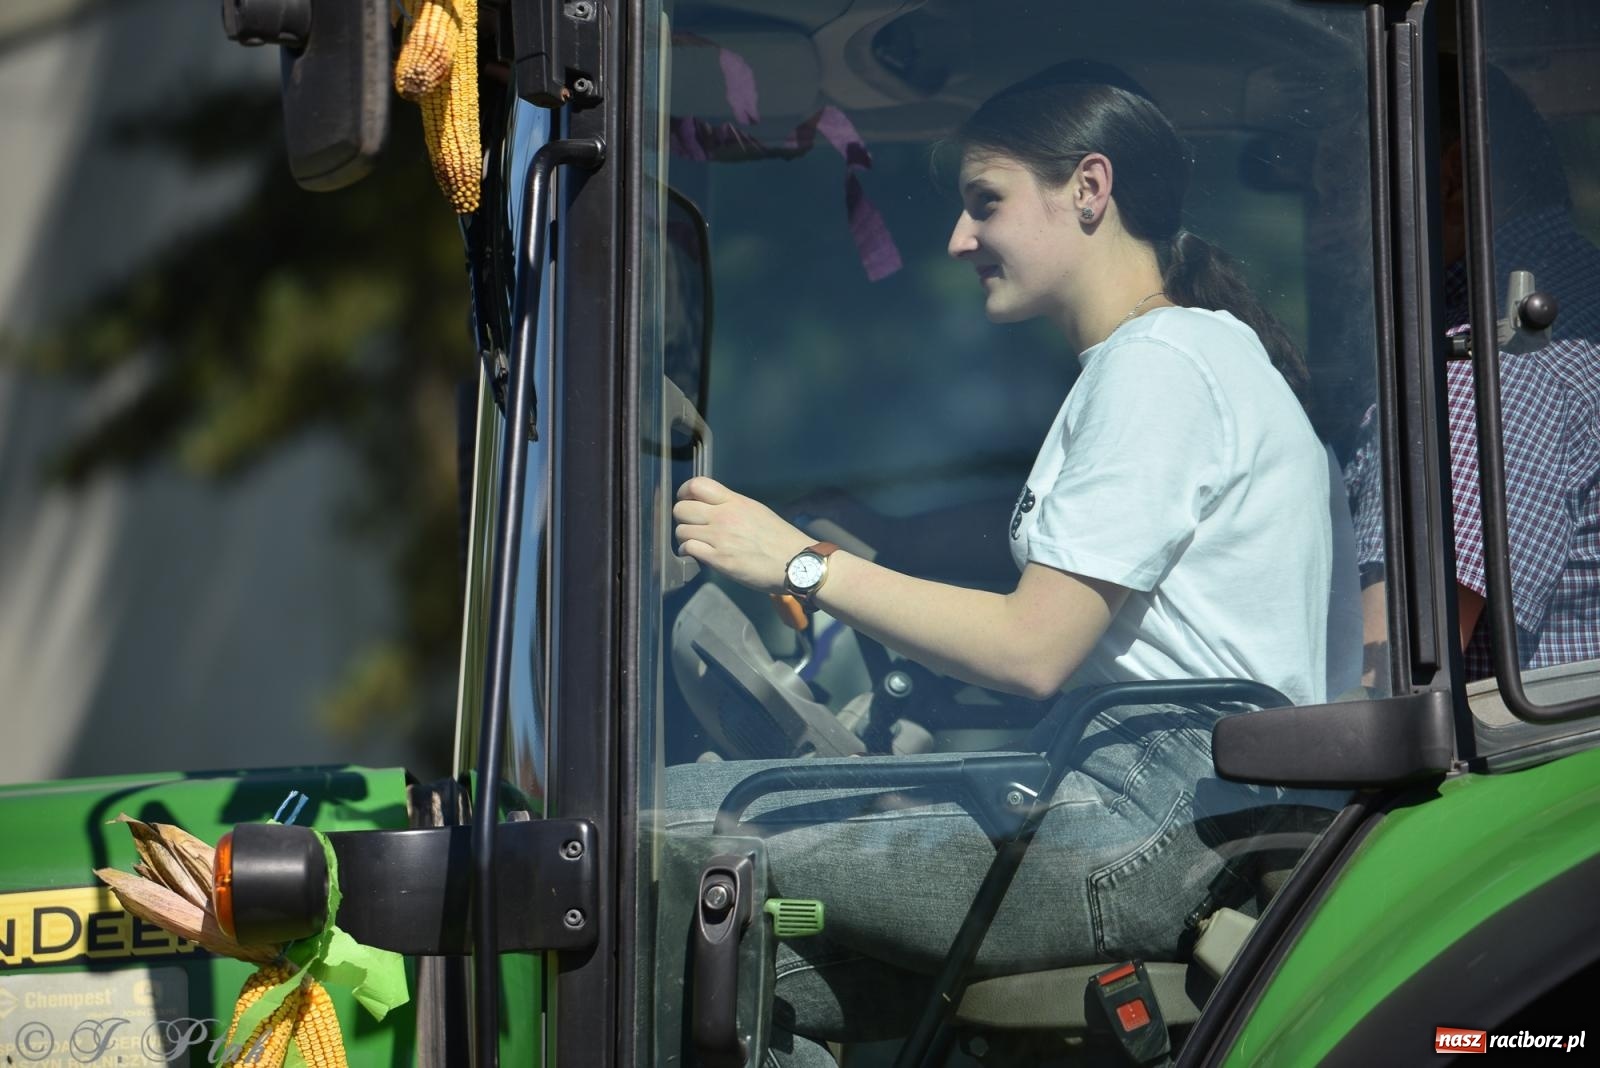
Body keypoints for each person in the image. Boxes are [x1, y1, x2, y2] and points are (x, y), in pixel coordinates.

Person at [667, 71, 1335, 1064]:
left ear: (1089, 189)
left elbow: (1032, 649)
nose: (957, 239)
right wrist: (880, 531)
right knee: (735, 978)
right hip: (1168, 816)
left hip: (1139, 827)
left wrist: (799, 565)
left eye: (986, 203)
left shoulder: (1160, 366)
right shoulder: (1183, 357)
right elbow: (1063, 543)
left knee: (664, 823)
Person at [1346, 57, 1600, 686]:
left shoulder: (1481, 369)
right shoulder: (1575, 311)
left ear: (1452, 176)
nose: (1338, 222)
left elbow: (1399, 689)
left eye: (1349, 183)